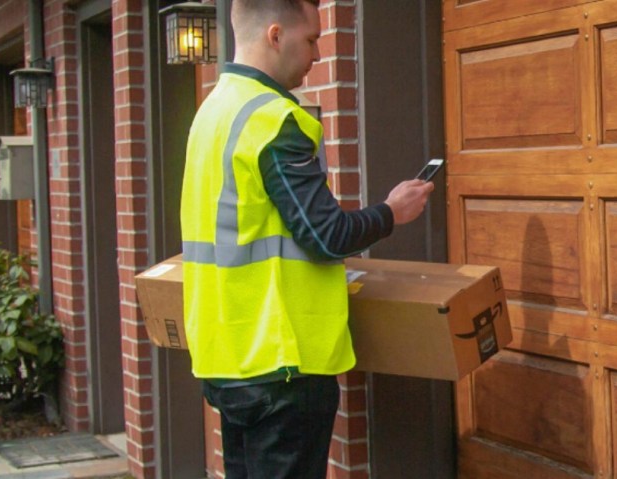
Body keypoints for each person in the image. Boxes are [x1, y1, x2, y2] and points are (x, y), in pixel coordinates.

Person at [179, 0, 434, 477]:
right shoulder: (275, 121)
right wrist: (391, 212)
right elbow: (326, 235)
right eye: (312, 39)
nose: (317, 54)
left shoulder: (211, 111)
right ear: (276, 36)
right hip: (281, 365)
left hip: (225, 354)